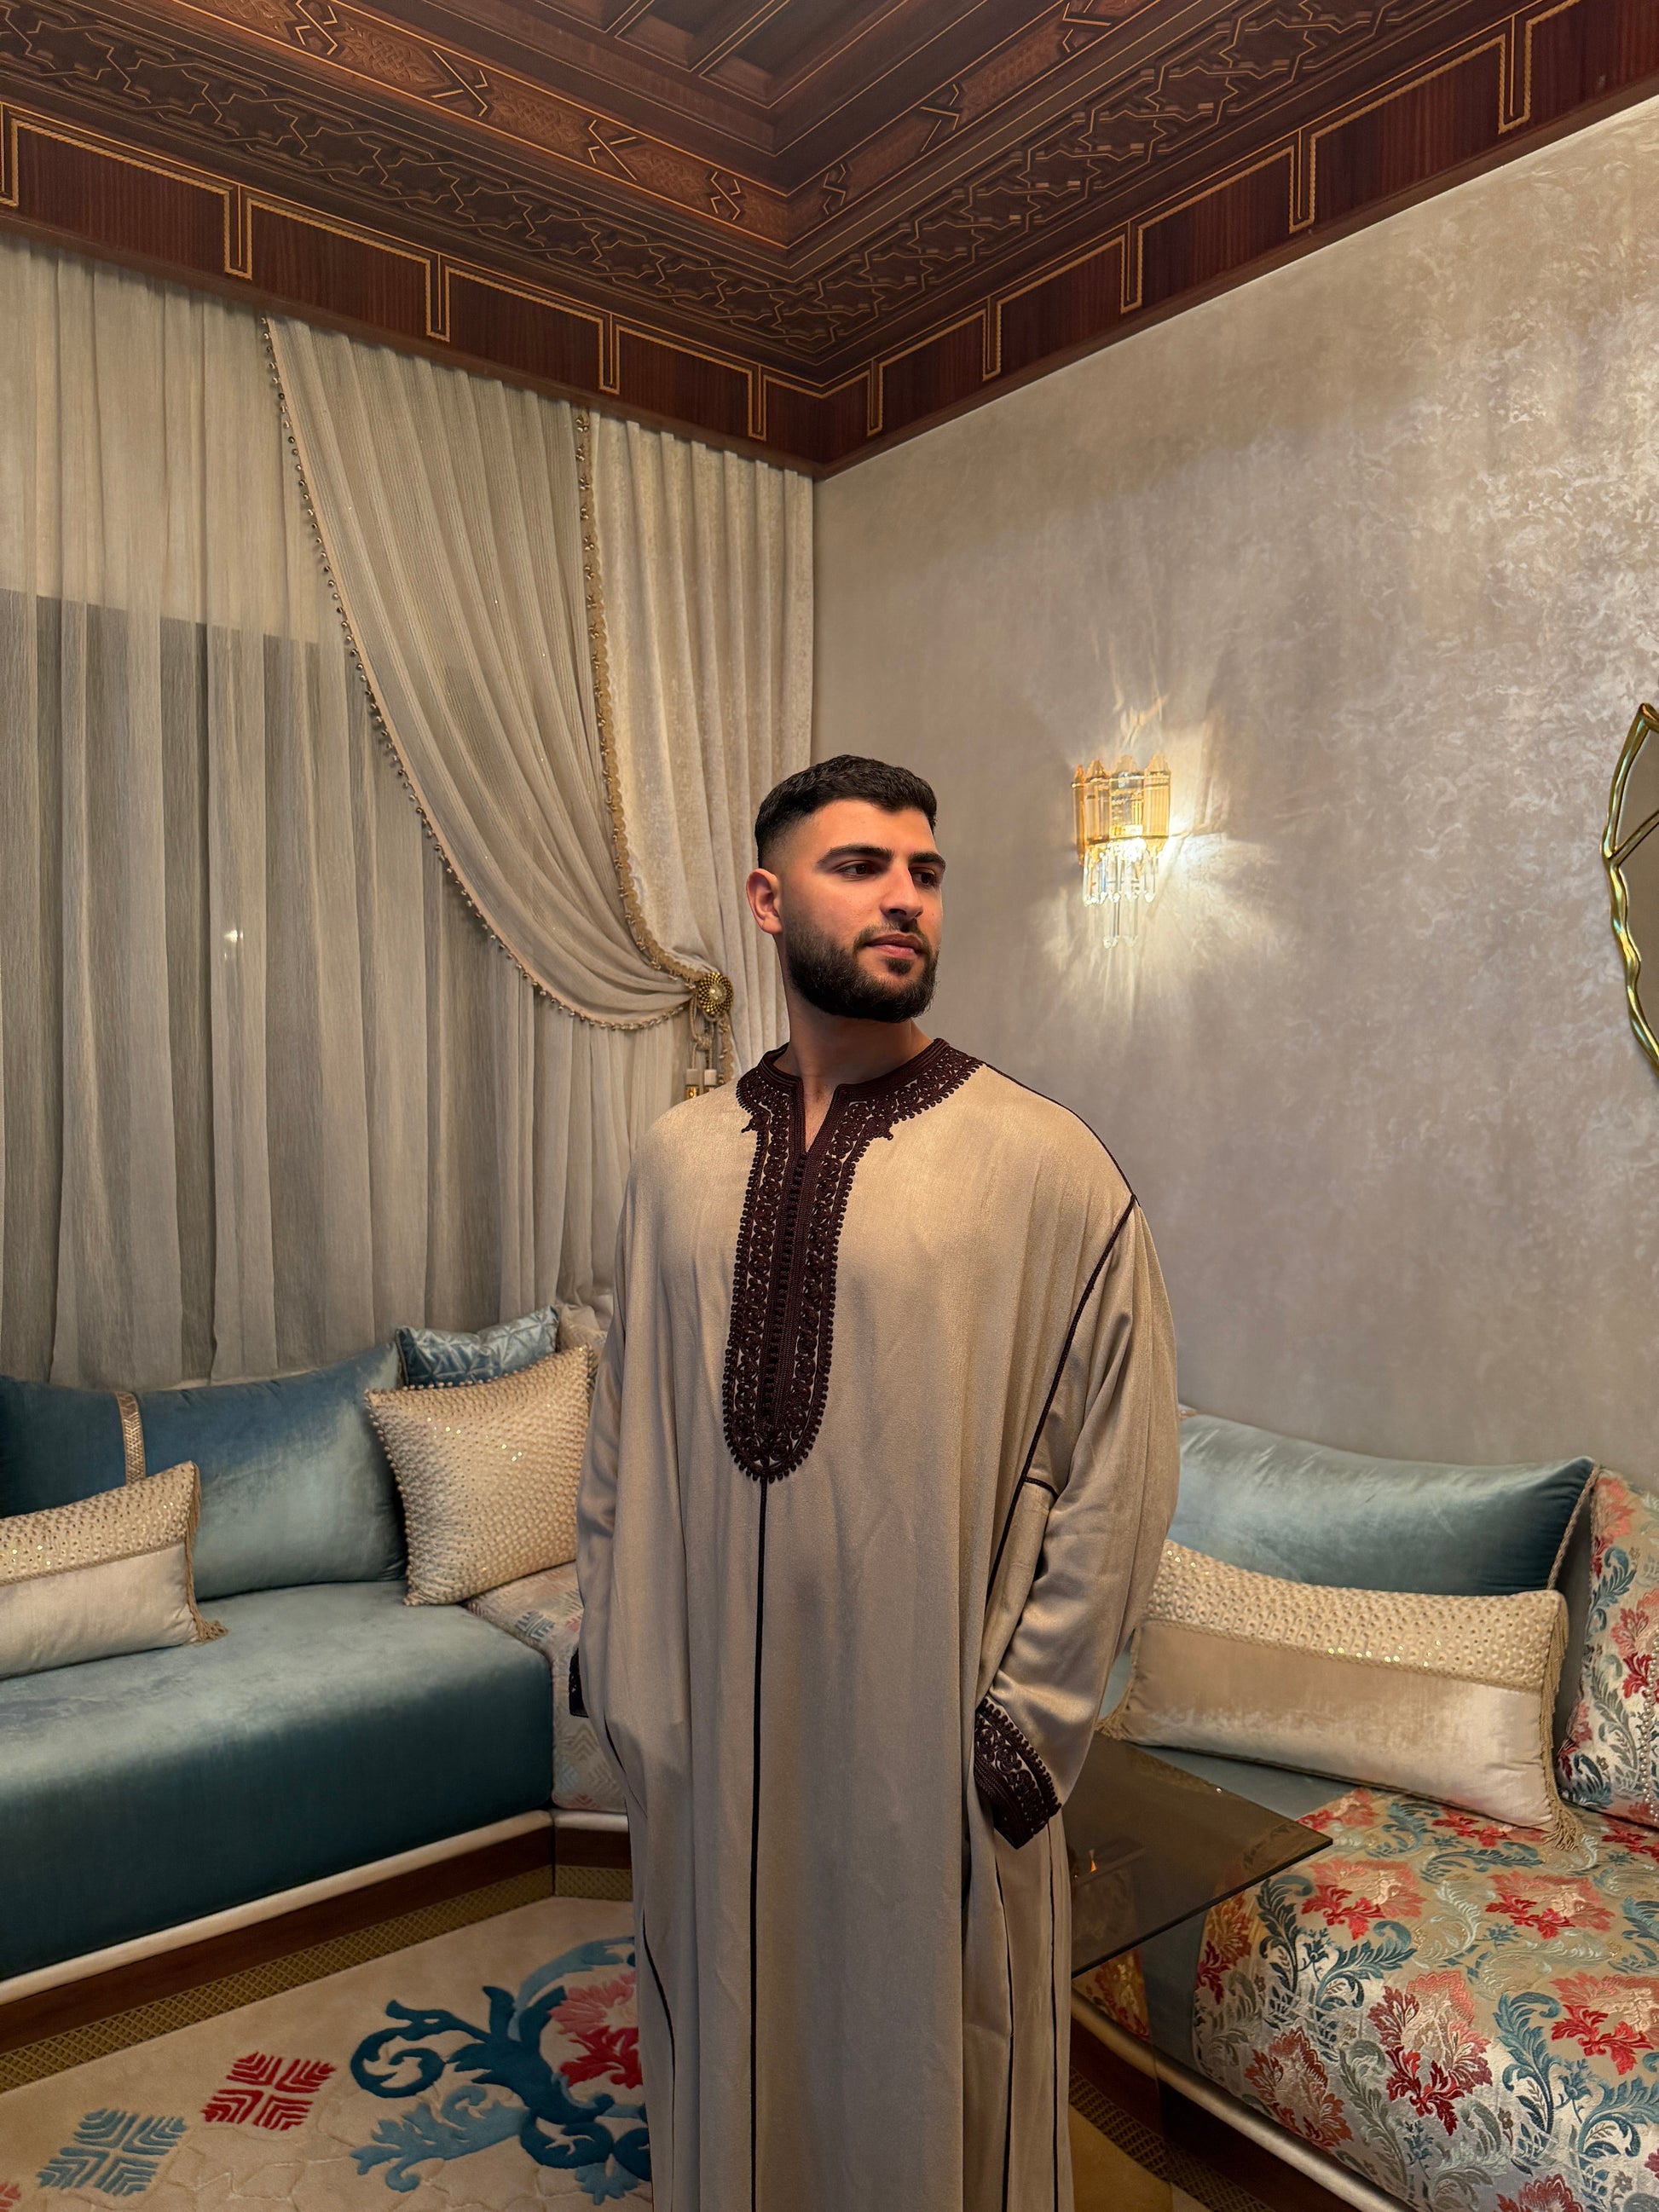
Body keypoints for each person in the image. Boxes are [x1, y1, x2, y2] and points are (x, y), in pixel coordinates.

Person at [576, 754, 1179, 2212]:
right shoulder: (671, 1165)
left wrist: (1022, 1734)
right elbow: (618, 1441)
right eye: (859, 867)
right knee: (730, 2036)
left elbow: (1122, 1468)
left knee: (927, 2069)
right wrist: (623, 1672)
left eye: (924, 872)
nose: (903, 897)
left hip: (925, 1755)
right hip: (712, 1739)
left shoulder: (1041, 1167)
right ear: (767, 899)